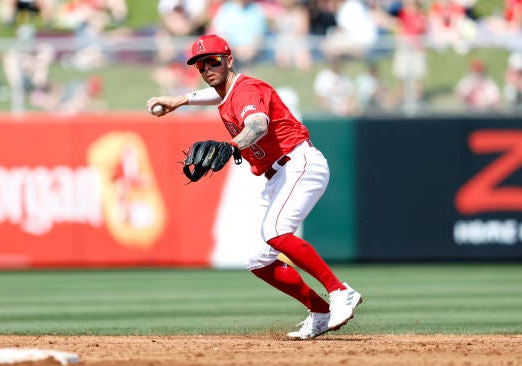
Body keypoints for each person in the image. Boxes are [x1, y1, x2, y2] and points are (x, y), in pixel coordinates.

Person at [146, 34, 363, 340]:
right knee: (257, 259)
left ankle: (341, 292)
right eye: (200, 64)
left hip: (298, 163)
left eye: (213, 61)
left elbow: (258, 125)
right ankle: (319, 310)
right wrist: (180, 100)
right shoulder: (227, 91)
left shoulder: (247, 89)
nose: (207, 68)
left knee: (276, 232)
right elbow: (218, 94)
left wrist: (232, 147)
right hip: (277, 175)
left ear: (228, 60)